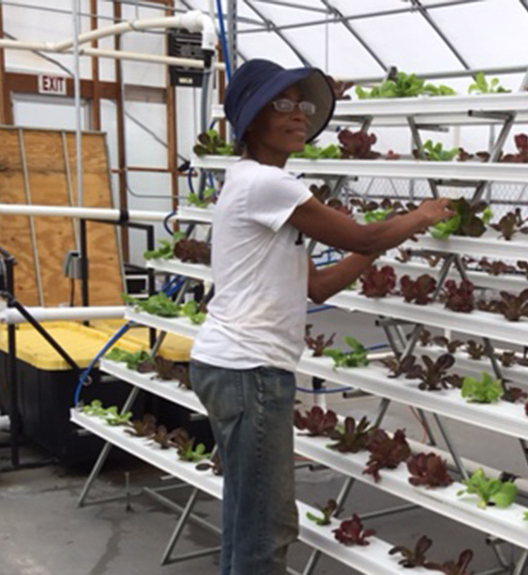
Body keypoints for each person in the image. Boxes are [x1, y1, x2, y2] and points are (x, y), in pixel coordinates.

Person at [188, 59, 453, 575]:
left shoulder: (254, 188)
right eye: (281, 104)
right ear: (251, 119)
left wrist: (386, 240)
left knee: (247, 516)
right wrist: (419, 216)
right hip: (250, 371)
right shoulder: (267, 184)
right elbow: (360, 235)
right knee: (266, 526)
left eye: (303, 104)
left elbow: (320, 283)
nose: (298, 115)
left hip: (233, 365)